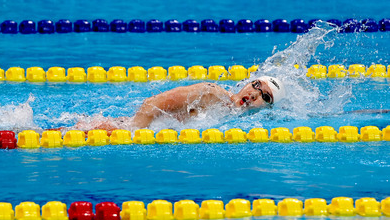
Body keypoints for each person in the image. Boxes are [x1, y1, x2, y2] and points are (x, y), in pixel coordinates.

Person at [69, 75, 286, 133]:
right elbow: (151, 104)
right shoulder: (212, 94)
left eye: (265, 97)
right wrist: (134, 132)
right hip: (122, 130)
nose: (254, 95)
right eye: (256, 85)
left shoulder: (231, 116)